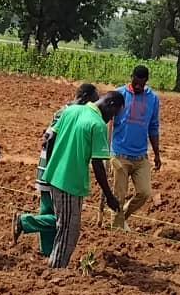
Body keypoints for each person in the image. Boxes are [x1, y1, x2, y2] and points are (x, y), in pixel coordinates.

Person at [24, 92, 124, 268]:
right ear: (110, 104)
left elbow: (50, 140)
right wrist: (109, 196)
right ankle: (56, 268)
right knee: (69, 229)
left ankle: (55, 264)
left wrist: (56, 163)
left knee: (65, 224)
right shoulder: (97, 124)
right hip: (70, 181)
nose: (112, 119)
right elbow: (98, 165)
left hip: (54, 175)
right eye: (114, 113)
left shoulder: (71, 111)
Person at [14, 83, 100, 257]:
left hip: (49, 168)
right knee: (65, 219)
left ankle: (46, 250)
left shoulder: (64, 110)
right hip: (56, 170)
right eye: (93, 101)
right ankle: (25, 222)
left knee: (49, 211)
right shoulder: (70, 114)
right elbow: (51, 140)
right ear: (85, 99)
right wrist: (57, 166)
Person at [110, 65, 162, 230]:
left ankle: (122, 216)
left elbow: (153, 127)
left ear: (146, 81)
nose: (139, 86)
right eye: (136, 82)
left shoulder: (153, 99)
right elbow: (107, 121)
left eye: (142, 83)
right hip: (120, 154)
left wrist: (157, 154)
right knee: (119, 195)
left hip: (141, 156)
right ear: (131, 77)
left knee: (145, 192)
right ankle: (116, 230)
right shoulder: (119, 95)